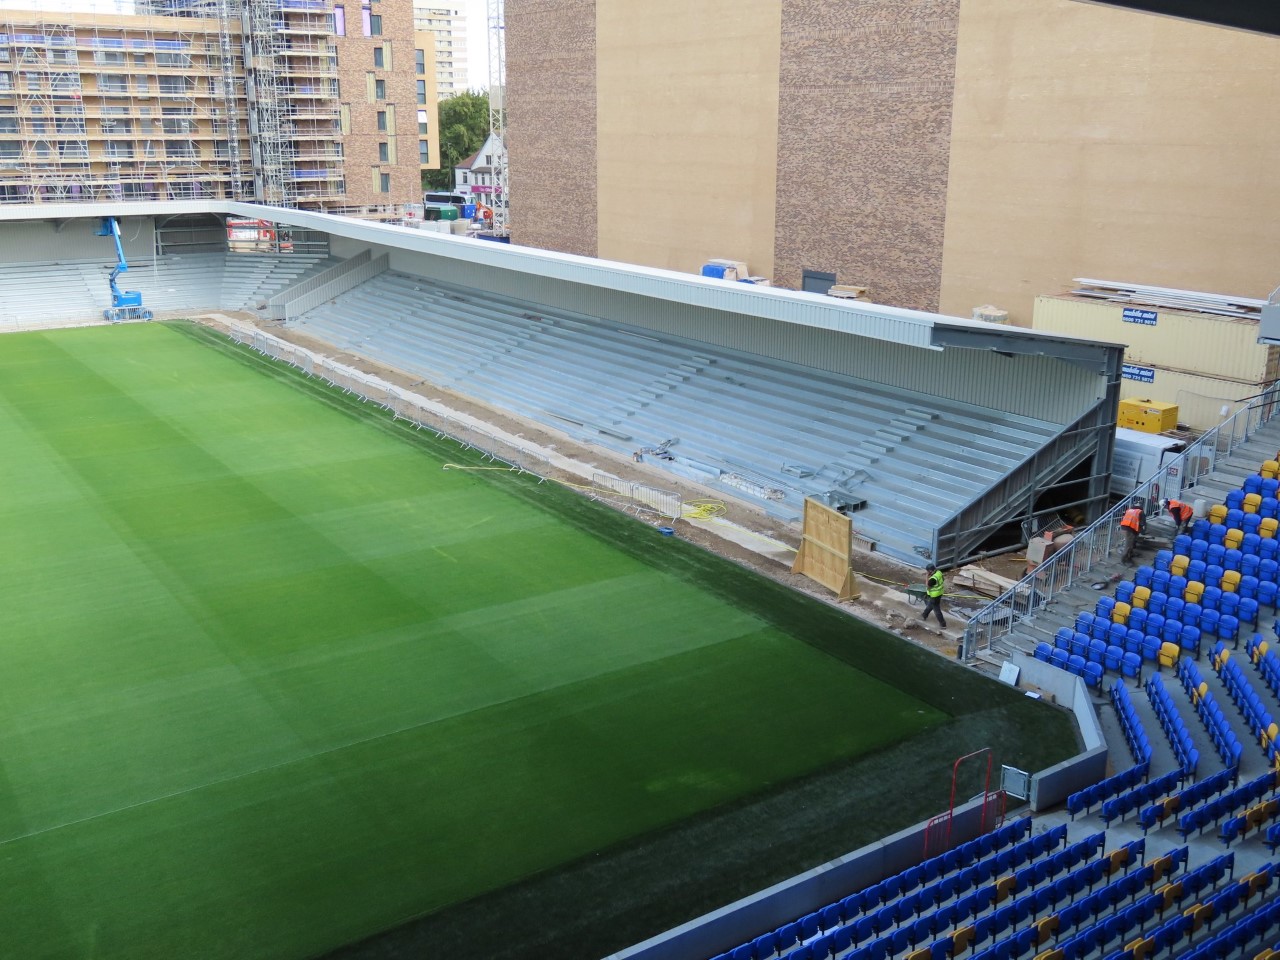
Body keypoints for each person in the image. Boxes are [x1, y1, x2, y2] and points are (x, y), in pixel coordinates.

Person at [920, 563, 946, 628]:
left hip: (935, 595)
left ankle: (943, 624)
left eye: (927, 571)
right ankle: (924, 615)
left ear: (930, 571)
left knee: (937, 610)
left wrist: (926, 577)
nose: (927, 572)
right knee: (930, 605)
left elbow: (927, 586)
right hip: (939, 593)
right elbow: (943, 579)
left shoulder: (933, 579)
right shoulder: (939, 572)